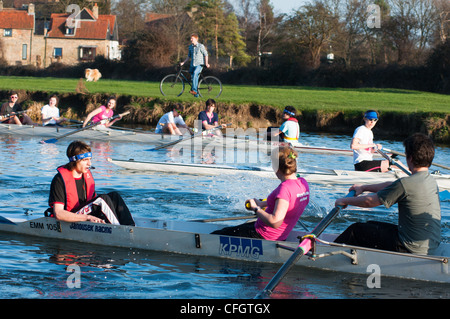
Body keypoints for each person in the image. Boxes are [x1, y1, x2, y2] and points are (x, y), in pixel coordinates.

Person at [334, 133, 441, 255]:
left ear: (410, 158)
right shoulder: (430, 180)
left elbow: (370, 202)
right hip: (430, 244)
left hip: (410, 247)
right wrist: (363, 187)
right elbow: (393, 185)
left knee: (356, 230)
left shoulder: (407, 184)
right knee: (370, 225)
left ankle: (326, 257)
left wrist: (344, 200)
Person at [212, 147, 310, 241]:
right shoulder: (302, 183)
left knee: (215, 235)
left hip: (264, 236)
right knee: (230, 229)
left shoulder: (285, 188)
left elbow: (275, 222)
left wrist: (256, 208)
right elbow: (288, 202)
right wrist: (262, 204)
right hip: (273, 232)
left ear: (276, 168)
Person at [47, 140, 135, 226]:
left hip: (84, 213)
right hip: (70, 217)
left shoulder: (86, 175)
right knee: (102, 199)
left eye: (90, 159)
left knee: (114, 196)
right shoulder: (59, 180)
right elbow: (58, 214)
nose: (89, 163)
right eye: (85, 160)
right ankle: (119, 231)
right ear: (74, 160)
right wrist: (87, 217)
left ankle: (131, 227)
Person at [180, 33, 210, 98]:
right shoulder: (190, 47)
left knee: (195, 74)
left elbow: (206, 54)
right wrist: (183, 62)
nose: (191, 39)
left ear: (196, 39)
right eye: (190, 38)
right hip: (192, 65)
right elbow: (189, 56)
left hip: (199, 64)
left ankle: (194, 90)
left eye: (192, 38)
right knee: (193, 77)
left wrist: (206, 63)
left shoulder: (200, 46)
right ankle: (196, 95)